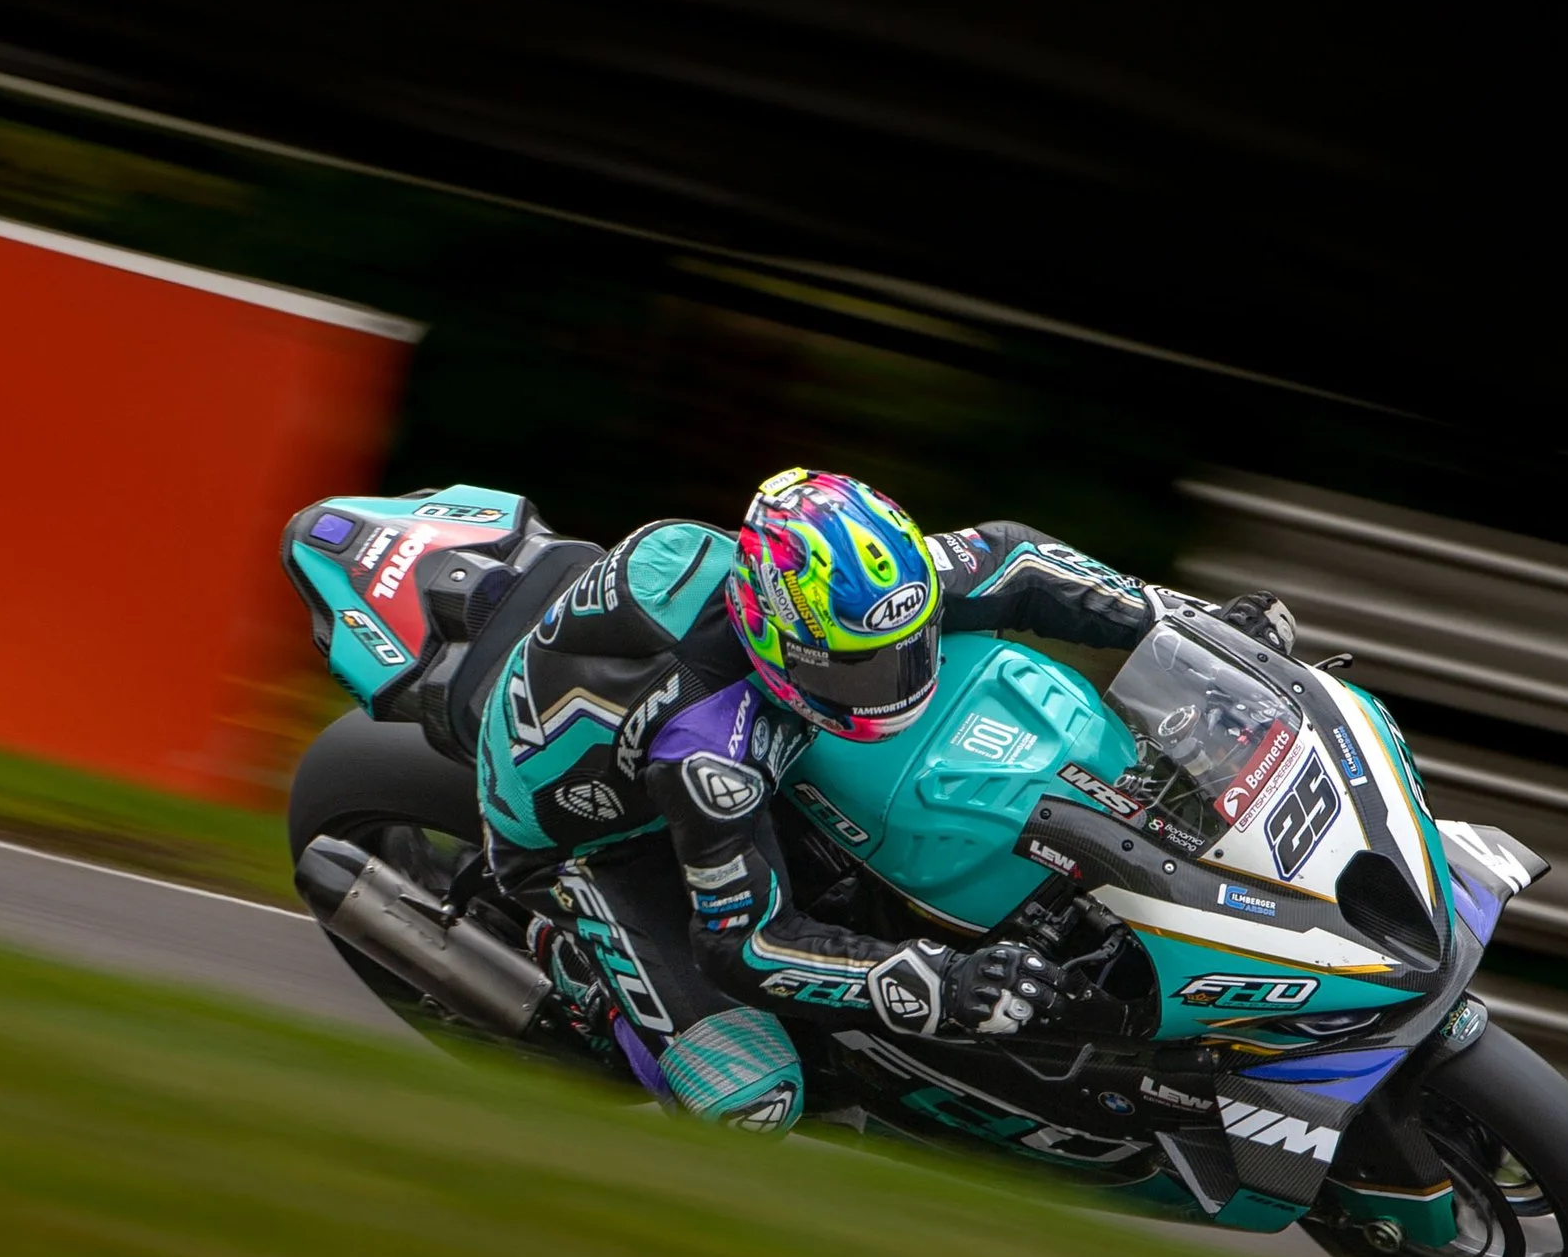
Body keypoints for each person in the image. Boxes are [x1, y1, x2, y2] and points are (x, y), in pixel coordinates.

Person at [477, 467, 1295, 1134]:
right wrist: (945, 978)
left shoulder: (858, 595)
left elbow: (1019, 560)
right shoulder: (709, 751)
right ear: (772, 636)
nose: (896, 680)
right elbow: (746, 944)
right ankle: (579, 967)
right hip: (599, 842)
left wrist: (1199, 630)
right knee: (751, 1096)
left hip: (685, 724)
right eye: (862, 668)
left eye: (907, 648)